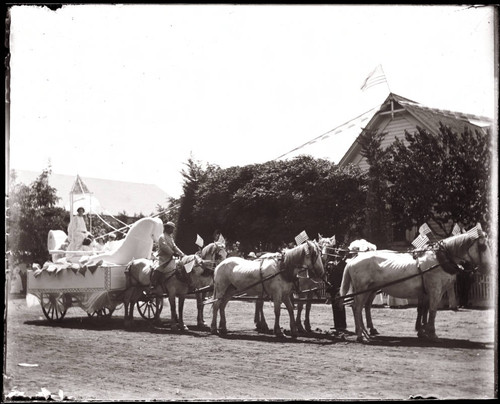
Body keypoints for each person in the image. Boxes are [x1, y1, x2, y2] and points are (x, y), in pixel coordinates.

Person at [151, 221, 185, 289]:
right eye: (172, 228)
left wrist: (182, 254)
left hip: (171, 258)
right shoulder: (162, 237)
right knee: (158, 269)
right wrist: (173, 253)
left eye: (173, 228)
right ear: (167, 228)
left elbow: (175, 247)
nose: (173, 230)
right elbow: (164, 247)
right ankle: (153, 284)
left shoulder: (170, 237)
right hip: (162, 258)